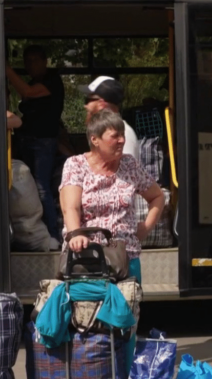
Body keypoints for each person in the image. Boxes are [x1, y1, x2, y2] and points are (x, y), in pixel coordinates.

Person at [59, 109, 164, 372]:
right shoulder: (76, 164)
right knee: (85, 326)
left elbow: (157, 197)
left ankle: (124, 372)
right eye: (114, 136)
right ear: (95, 139)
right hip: (86, 261)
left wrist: (145, 227)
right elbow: (70, 207)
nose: (121, 141)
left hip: (125, 259)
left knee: (125, 327)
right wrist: (76, 234)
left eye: (121, 136)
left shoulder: (129, 164)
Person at [6, 45, 65, 242]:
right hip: (26, 139)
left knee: (41, 187)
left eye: (34, 60)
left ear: (44, 61)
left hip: (42, 142)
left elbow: (28, 92)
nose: (30, 65)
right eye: (26, 61)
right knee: (25, 188)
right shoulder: (35, 81)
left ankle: (52, 235)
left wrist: (5, 69)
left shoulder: (52, 81)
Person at [78, 76, 140, 161]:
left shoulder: (125, 134)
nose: (85, 106)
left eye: (88, 100)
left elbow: (127, 172)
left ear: (101, 104)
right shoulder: (103, 131)